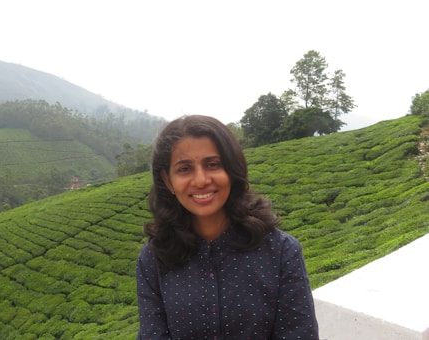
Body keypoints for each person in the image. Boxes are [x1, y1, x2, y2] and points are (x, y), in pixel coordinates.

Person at [136, 115, 319, 339]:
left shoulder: (281, 252)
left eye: (212, 165)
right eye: (184, 169)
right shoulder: (154, 258)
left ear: (232, 170)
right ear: (167, 180)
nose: (201, 180)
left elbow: (299, 334)